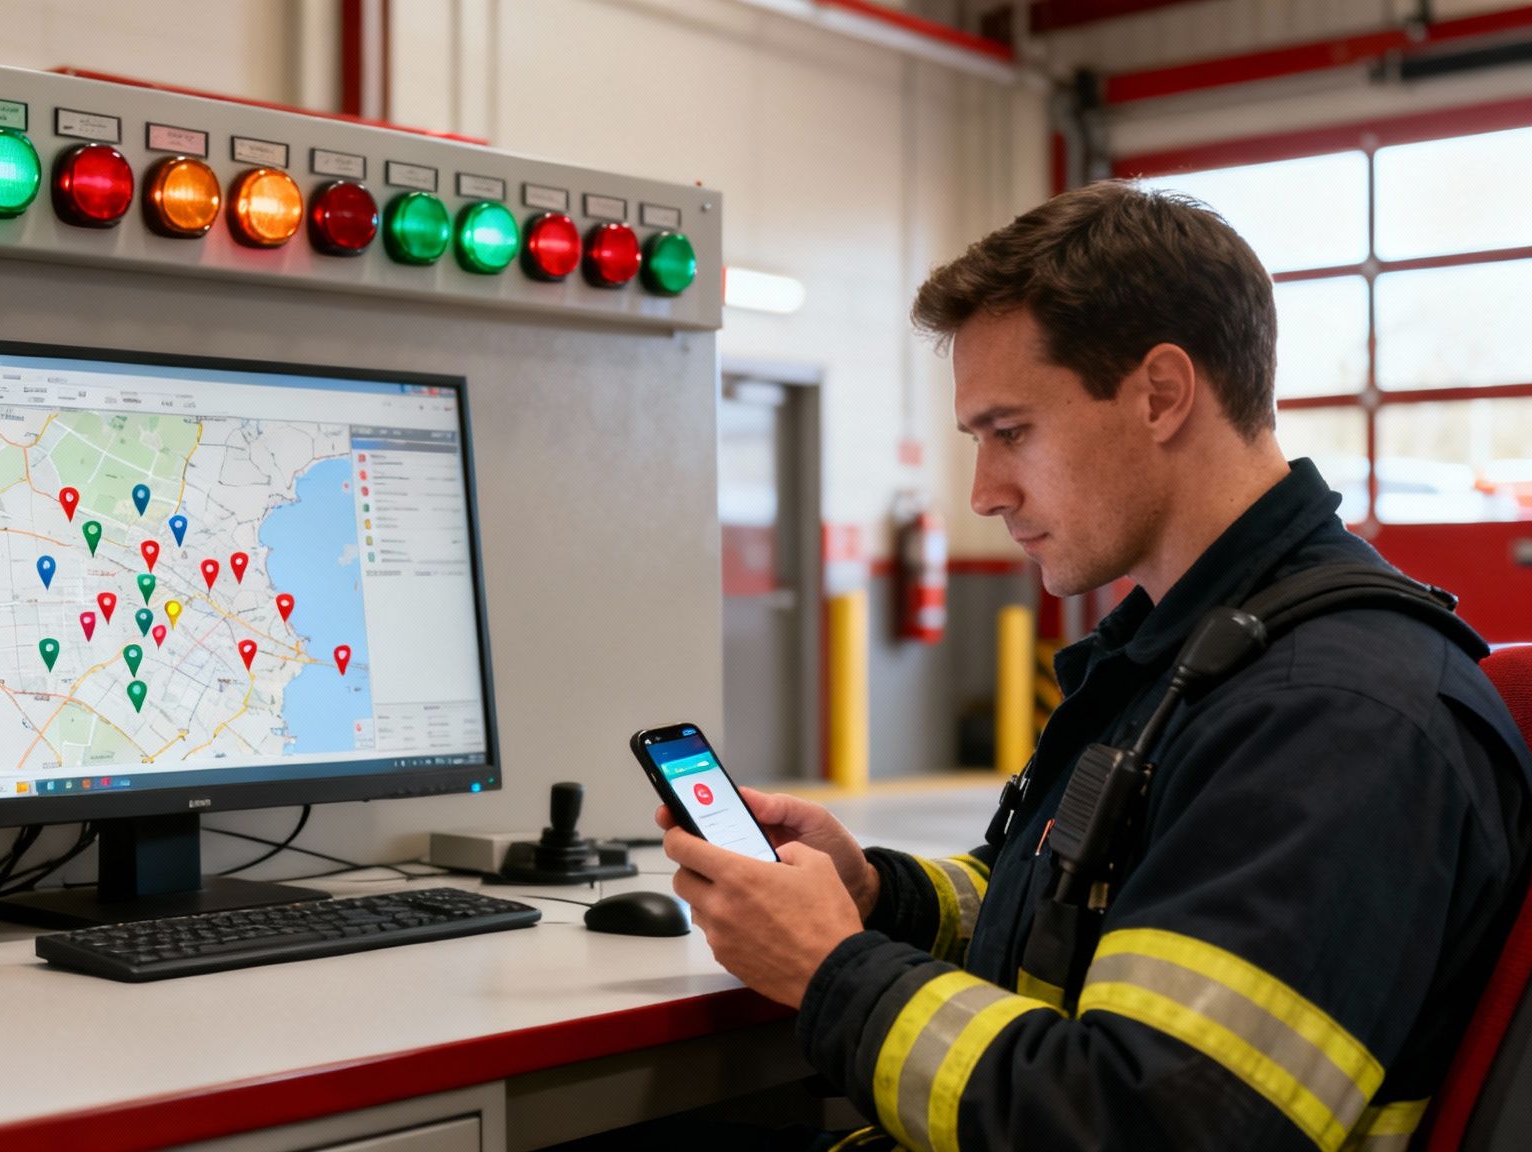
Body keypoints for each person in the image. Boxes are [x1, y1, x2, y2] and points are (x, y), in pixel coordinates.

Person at [656, 181, 1532, 1152]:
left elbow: (1147, 1124)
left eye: (1009, 432)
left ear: (1159, 394)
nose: (983, 492)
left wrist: (833, 969)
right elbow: (1078, 911)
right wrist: (875, 898)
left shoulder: (1327, 714)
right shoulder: (1200, 657)